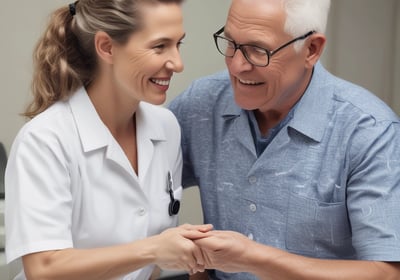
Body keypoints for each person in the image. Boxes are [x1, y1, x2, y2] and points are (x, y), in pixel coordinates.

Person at [169, 0, 400, 279]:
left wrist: (255, 259)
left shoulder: (369, 130)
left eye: (258, 50)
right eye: (231, 43)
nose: (237, 66)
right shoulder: (203, 102)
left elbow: (386, 272)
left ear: (311, 50)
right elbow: (137, 182)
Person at [5, 0, 212, 279]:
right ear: (106, 47)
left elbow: (149, 266)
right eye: (159, 46)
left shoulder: (166, 128)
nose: (177, 63)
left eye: (178, 44)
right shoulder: (45, 140)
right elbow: (44, 269)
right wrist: (153, 250)